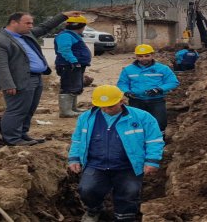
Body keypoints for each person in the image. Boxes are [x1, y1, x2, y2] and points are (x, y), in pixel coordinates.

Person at [68, 85, 164, 222]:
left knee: (129, 192)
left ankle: (124, 216)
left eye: (111, 106)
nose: (106, 110)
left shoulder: (142, 117)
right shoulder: (86, 118)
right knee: (87, 190)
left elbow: (154, 140)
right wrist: (74, 158)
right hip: (96, 164)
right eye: (103, 107)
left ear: (121, 101)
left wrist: (152, 160)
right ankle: (94, 210)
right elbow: (77, 139)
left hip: (128, 165)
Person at [0, 10, 82, 146]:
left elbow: (45, 27)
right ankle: (12, 139)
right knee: (17, 110)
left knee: (29, 110)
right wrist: (8, 84)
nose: (31, 26)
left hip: (36, 78)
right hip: (18, 81)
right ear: (14, 22)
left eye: (32, 23)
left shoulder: (26, 34)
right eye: (28, 23)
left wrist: (64, 15)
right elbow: (0, 66)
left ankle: (22, 134)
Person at [117, 44, 179, 132]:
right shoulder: (128, 69)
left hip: (157, 101)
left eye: (147, 56)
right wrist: (127, 92)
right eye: (140, 56)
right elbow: (122, 83)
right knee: (136, 122)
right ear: (136, 56)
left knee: (159, 122)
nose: (144, 58)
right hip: (136, 101)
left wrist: (159, 89)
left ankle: (160, 140)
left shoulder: (162, 68)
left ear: (152, 55)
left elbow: (173, 82)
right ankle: (139, 141)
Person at [54, 16, 92, 118]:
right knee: (68, 87)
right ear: (80, 26)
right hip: (68, 65)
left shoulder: (73, 35)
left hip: (74, 65)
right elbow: (64, 49)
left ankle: (72, 108)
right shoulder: (65, 35)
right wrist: (74, 61)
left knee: (75, 86)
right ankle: (65, 111)